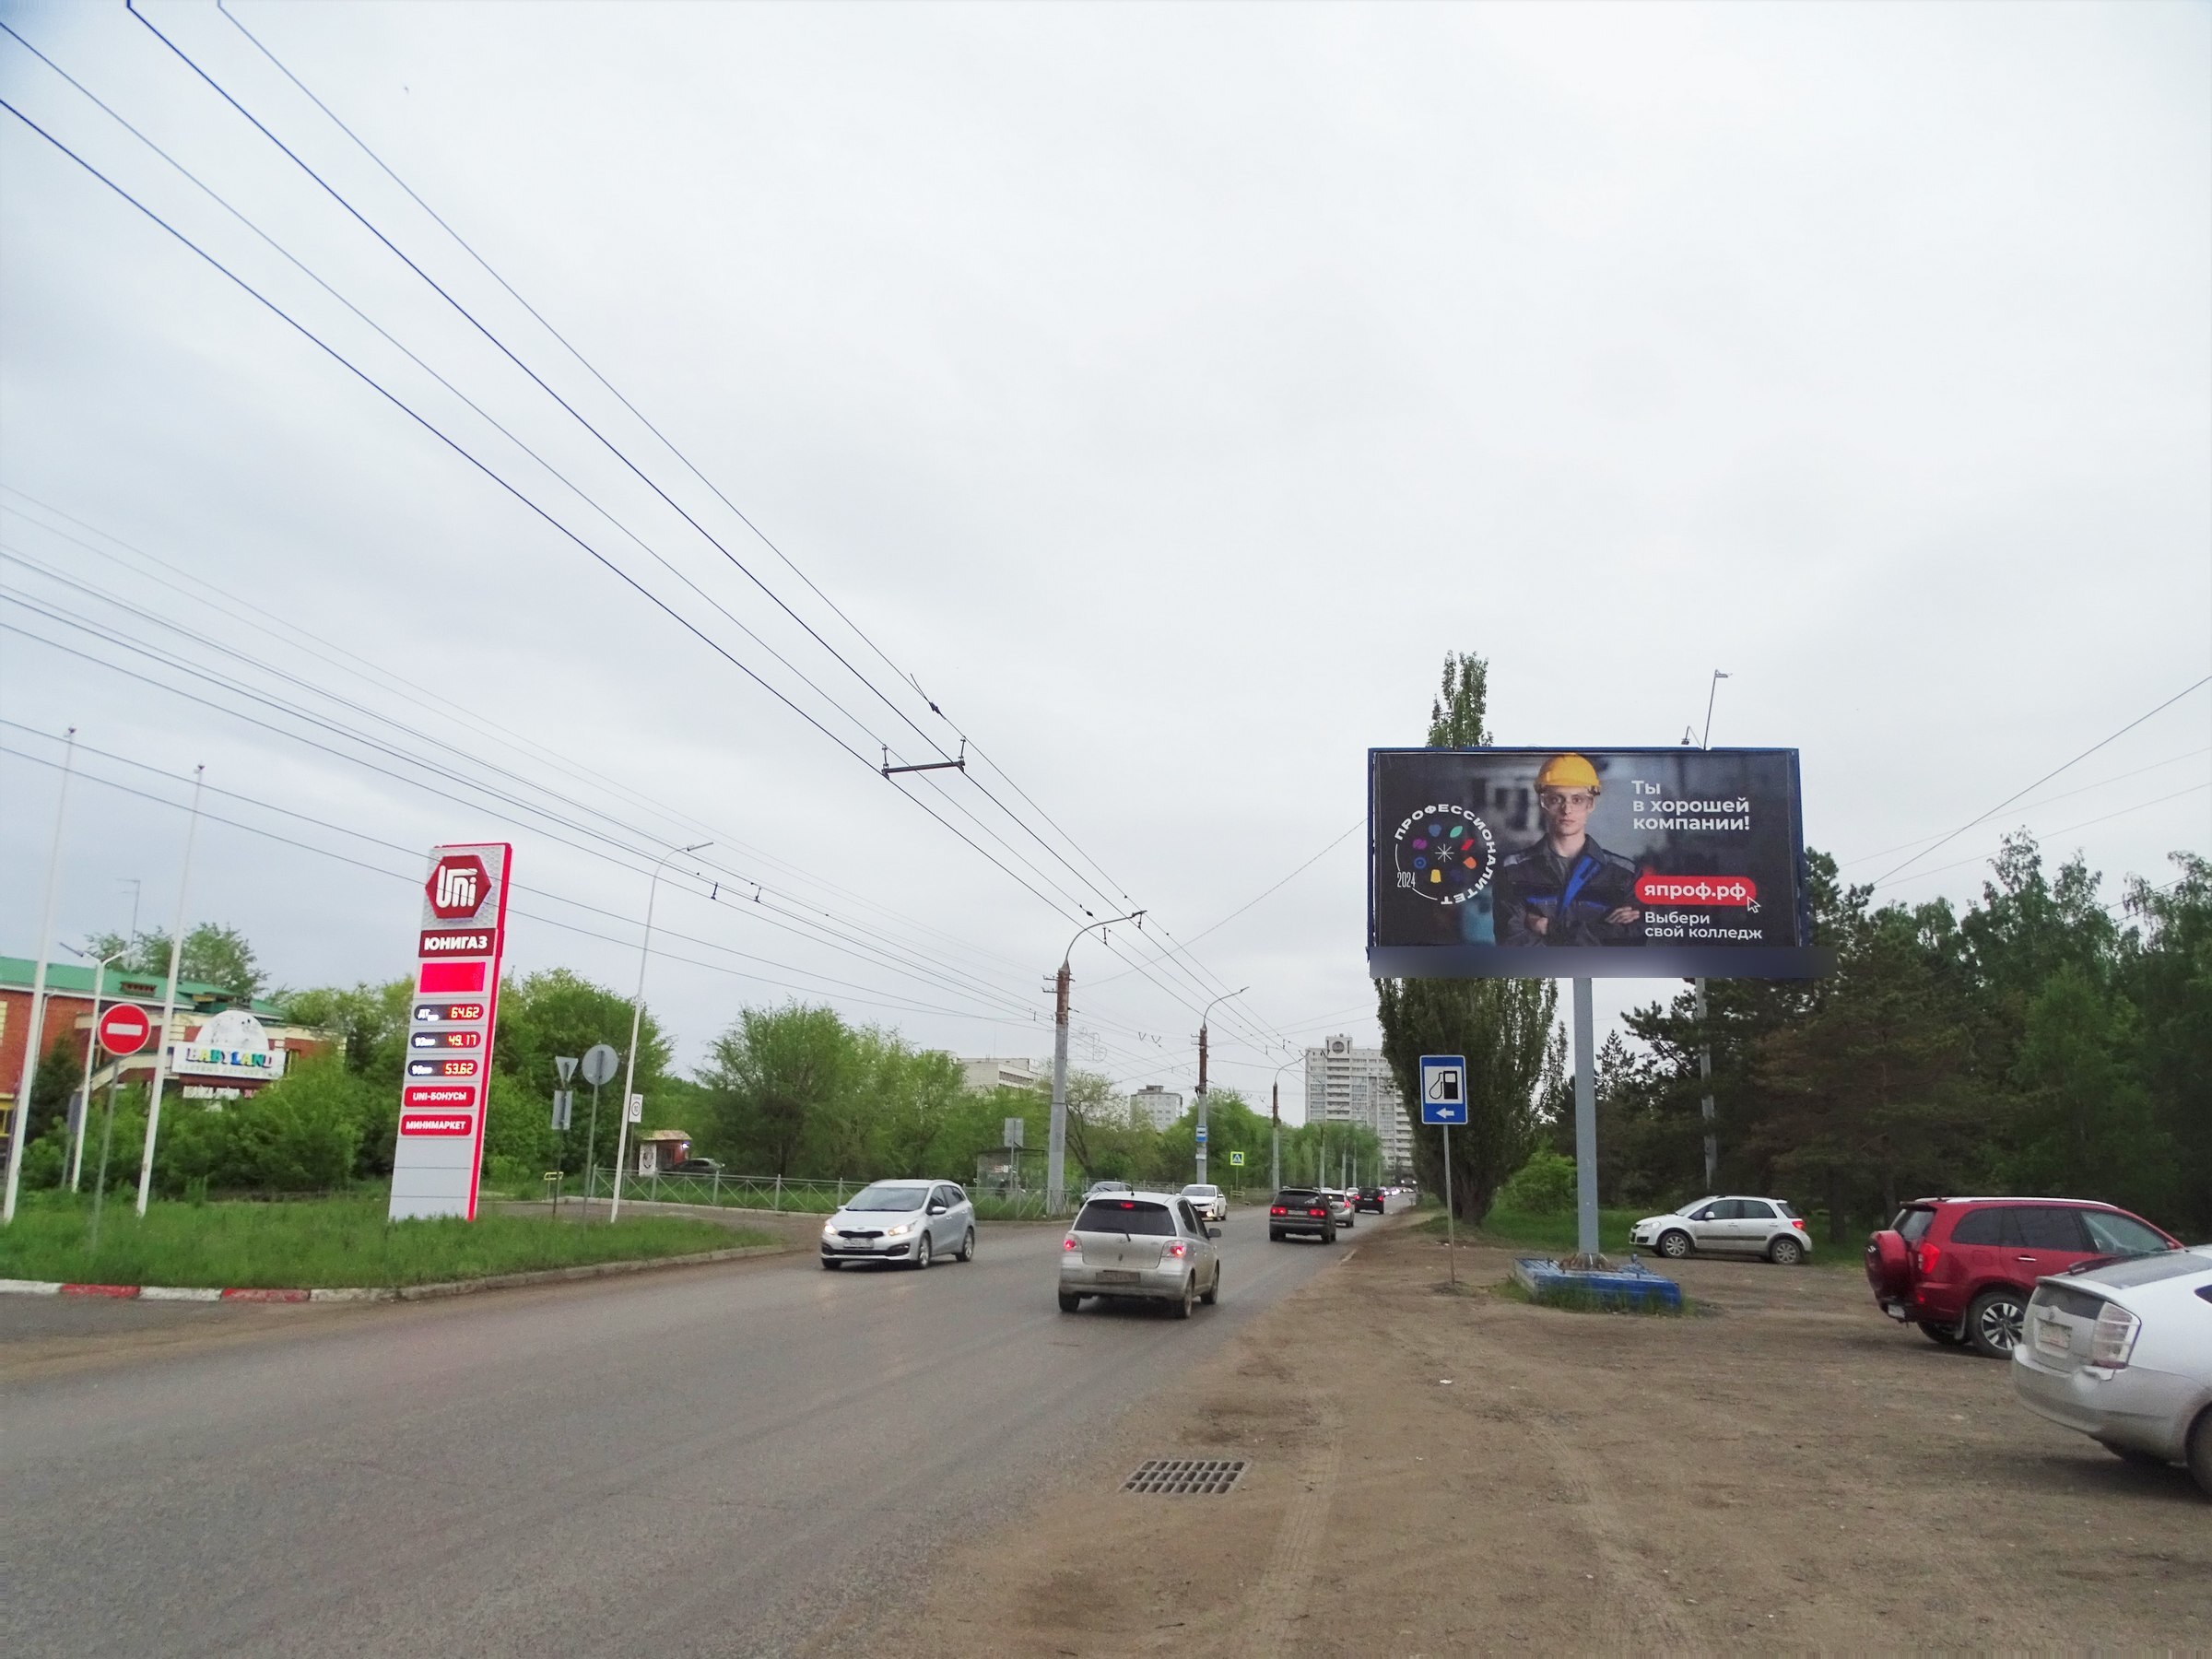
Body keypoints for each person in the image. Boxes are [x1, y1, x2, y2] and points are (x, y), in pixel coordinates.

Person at [1492, 753, 1641, 946]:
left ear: (1591, 804)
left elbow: (1629, 943)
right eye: (1556, 799)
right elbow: (1513, 945)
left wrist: (1549, 928)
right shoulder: (1512, 871)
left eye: (1577, 800)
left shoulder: (1624, 875)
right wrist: (1598, 930)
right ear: (1543, 803)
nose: (1567, 810)